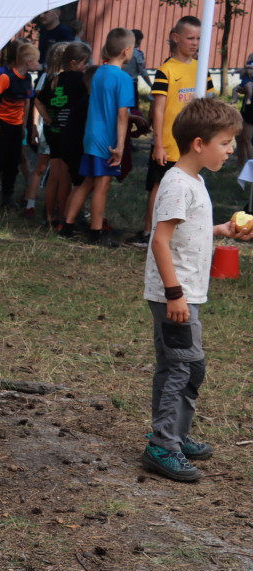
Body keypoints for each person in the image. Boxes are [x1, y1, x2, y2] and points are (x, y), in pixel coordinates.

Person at [141, 98, 249, 481]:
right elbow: (159, 241)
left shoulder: (195, 180)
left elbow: (190, 228)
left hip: (187, 294)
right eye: (225, 143)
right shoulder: (176, 185)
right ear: (199, 144)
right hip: (175, 296)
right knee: (179, 368)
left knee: (190, 367)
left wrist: (223, 230)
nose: (231, 149)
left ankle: (177, 433)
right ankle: (162, 444)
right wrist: (174, 294)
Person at [127, 16, 213, 248]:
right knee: (160, 186)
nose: (195, 43)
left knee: (189, 186)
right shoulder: (166, 70)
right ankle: (149, 232)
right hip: (169, 143)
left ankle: (178, 232)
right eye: (190, 38)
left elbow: (210, 101)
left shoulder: (201, 67)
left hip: (194, 144)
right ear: (176, 38)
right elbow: (159, 109)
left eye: (199, 38)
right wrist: (159, 144)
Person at [59, 28, 135, 247]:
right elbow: (121, 115)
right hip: (108, 142)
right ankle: (96, 233)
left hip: (91, 137)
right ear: (126, 51)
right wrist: (120, 145)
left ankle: (67, 225)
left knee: (86, 183)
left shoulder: (98, 72)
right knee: (102, 187)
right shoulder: (123, 79)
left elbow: (104, 106)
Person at [38, 41, 91, 231]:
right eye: (84, 63)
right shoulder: (81, 81)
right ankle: (62, 218)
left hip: (53, 133)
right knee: (66, 179)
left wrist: (47, 119)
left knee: (54, 176)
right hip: (70, 135)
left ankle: (50, 217)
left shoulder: (54, 79)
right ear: (73, 63)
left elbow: (37, 100)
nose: (86, 67)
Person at [0, 43, 40, 210]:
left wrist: (23, 125)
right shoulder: (6, 78)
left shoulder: (28, 79)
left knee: (13, 162)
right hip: (1, 124)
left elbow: (26, 101)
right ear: (28, 61)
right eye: (36, 61)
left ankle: (7, 196)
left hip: (16, 126)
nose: (39, 64)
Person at [25, 41, 70, 221]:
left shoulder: (69, 79)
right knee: (41, 167)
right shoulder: (46, 78)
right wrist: (35, 127)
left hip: (59, 129)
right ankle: (30, 203)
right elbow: (38, 103)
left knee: (56, 169)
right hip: (48, 129)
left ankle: (55, 206)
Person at [122, 29, 153, 105]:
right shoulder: (137, 54)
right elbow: (143, 72)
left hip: (120, 82)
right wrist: (151, 85)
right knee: (132, 108)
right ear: (138, 40)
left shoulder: (121, 51)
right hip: (131, 84)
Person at [231, 65, 253, 168]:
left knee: (249, 140)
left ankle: (251, 175)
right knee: (240, 138)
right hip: (247, 108)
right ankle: (241, 171)